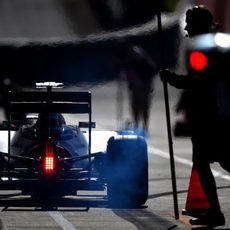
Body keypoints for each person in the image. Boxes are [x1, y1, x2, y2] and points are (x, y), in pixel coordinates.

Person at [160, 5, 229, 227]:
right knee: (210, 161)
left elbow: (201, 81)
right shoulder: (212, 44)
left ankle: (215, 214)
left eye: (190, 23)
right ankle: (214, 213)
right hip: (211, 115)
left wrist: (173, 79)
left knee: (209, 161)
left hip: (213, 116)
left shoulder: (207, 47)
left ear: (199, 25)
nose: (187, 28)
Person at [114, 41, 156, 132]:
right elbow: (126, 71)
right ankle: (137, 125)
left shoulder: (136, 54)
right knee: (135, 105)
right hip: (136, 85)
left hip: (144, 84)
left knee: (143, 106)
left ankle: (144, 127)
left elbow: (148, 69)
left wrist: (140, 80)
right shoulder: (129, 57)